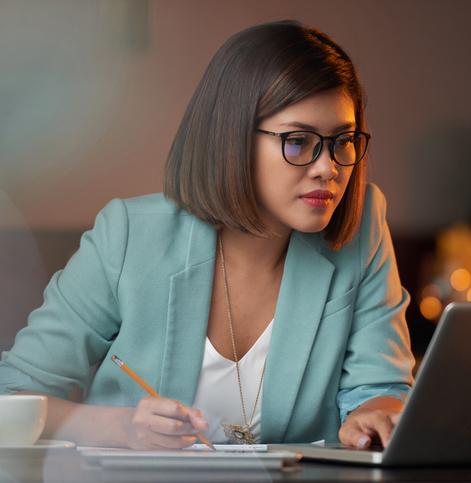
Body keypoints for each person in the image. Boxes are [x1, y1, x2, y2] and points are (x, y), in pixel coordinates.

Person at [0, 19, 414, 450]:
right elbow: (11, 397)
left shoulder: (363, 226)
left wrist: (371, 418)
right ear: (231, 137)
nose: (328, 167)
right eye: (297, 140)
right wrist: (121, 428)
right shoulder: (129, 235)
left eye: (342, 140)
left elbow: (380, 388)